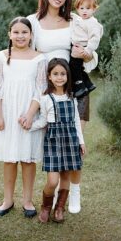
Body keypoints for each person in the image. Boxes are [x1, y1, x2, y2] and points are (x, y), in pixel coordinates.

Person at [27, 0, 92, 214]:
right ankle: (52, 195)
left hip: (74, 86)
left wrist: (86, 54)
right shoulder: (33, 21)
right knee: (55, 142)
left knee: (74, 144)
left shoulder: (75, 20)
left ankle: (74, 191)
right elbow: (26, 52)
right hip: (47, 91)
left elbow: (91, 54)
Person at [0, 17, 47, 218]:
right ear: (9, 34)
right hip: (6, 113)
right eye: (16, 32)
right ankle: (7, 200)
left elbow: (41, 89)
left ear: (31, 35)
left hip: (29, 112)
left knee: (28, 158)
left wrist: (30, 115)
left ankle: (28, 200)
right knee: (10, 158)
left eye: (24, 32)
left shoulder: (40, 58)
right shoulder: (1, 57)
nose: (20, 36)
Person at [29, 58, 85, 223]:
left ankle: (60, 208)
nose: (59, 77)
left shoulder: (71, 98)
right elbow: (43, 121)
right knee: (53, 181)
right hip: (53, 141)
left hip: (70, 141)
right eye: (55, 74)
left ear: (67, 76)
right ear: (49, 76)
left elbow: (76, 122)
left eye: (63, 74)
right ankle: (46, 207)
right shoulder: (46, 98)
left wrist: (81, 142)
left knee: (65, 177)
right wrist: (29, 126)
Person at [68, 0, 102, 98]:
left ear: (94, 9)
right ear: (77, 9)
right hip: (77, 46)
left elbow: (95, 38)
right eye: (81, 8)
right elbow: (73, 17)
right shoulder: (80, 19)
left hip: (84, 47)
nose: (84, 11)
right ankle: (88, 84)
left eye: (88, 8)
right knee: (77, 67)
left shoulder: (92, 23)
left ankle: (79, 85)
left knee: (74, 66)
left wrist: (88, 50)